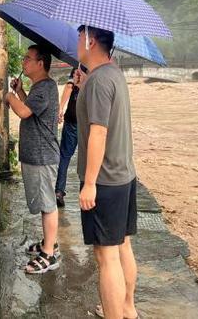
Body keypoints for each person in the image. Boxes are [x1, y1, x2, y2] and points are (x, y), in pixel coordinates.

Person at [76, 25, 139, 319]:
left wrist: (89, 184)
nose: (77, 43)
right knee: (123, 244)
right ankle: (127, 308)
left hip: (104, 181)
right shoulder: (112, 74)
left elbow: (98, 133)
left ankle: (116, 313)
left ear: (90, 40)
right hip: (123, 175)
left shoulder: (99, 82)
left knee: (106, 255)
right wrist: (83, 87)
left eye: (80, 37)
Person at [5, 45, 60, 274]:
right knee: (43, 202)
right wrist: (19, 92)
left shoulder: (45, 87)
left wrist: (9, 96)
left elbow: (24, 113)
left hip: (42, 156)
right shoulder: (39, 88)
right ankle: (49, 241)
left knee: (48, 204)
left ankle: (48, 254)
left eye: (28, 59)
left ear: (40, 64)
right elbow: (31, 108)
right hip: (37, 155)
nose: (23, 62)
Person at [54, 67, 80, 207]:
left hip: (72, 120)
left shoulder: (78, 66)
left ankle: (59, 191)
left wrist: (60, 109)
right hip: (88, 123)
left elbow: (69, 86)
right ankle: (90, 191)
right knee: (89, 158)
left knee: (65, 157)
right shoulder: (96, 69)